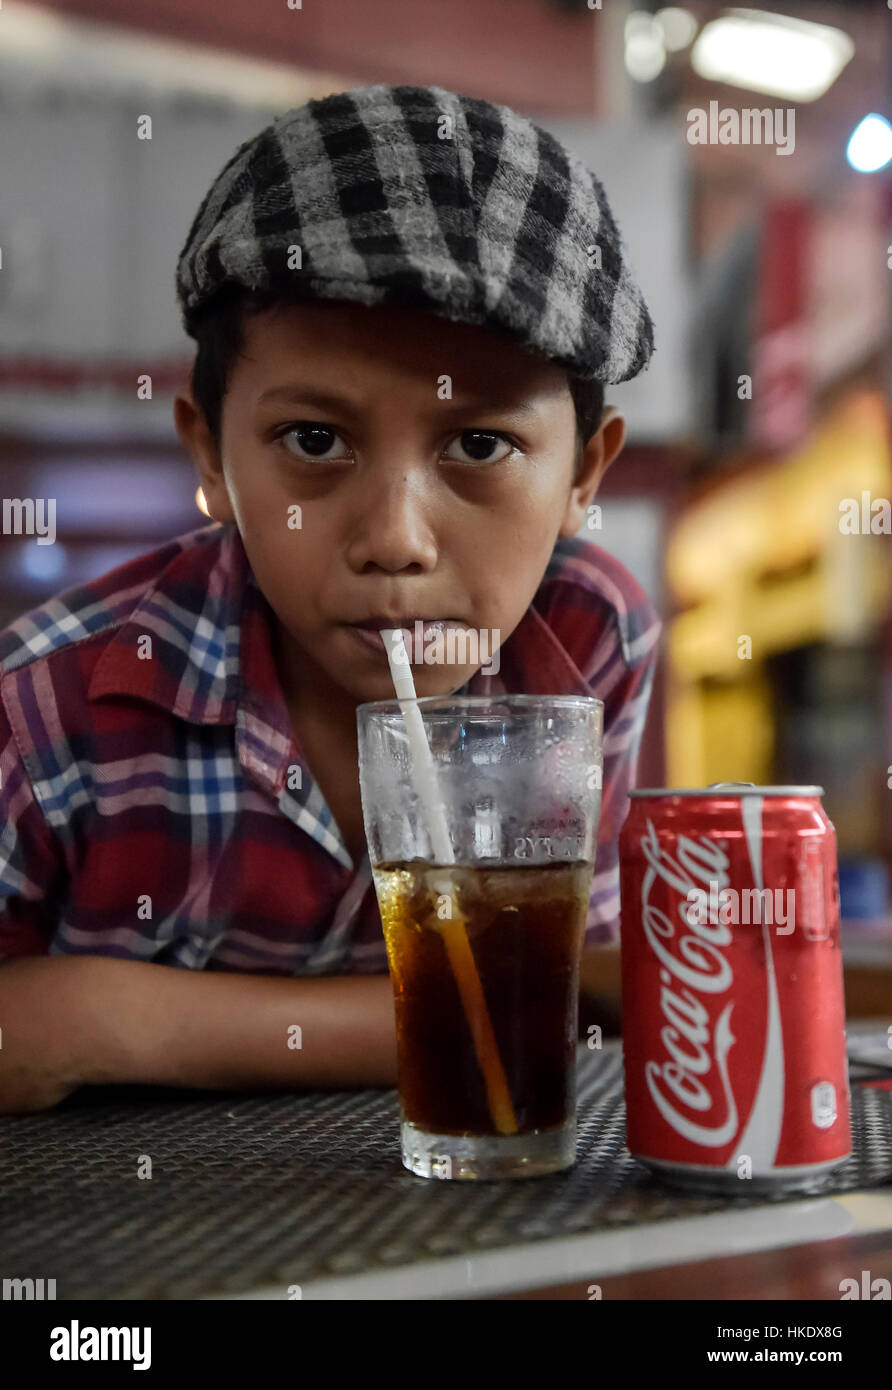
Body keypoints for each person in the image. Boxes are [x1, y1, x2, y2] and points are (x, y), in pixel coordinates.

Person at [0, 84, 660, 1113]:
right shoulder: (48, 709)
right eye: (314, 440)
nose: (394, 540)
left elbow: (564, 999)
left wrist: (105, 1017)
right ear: (210, 458)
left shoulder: (583, 637)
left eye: (479, 445)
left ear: (585, 474)